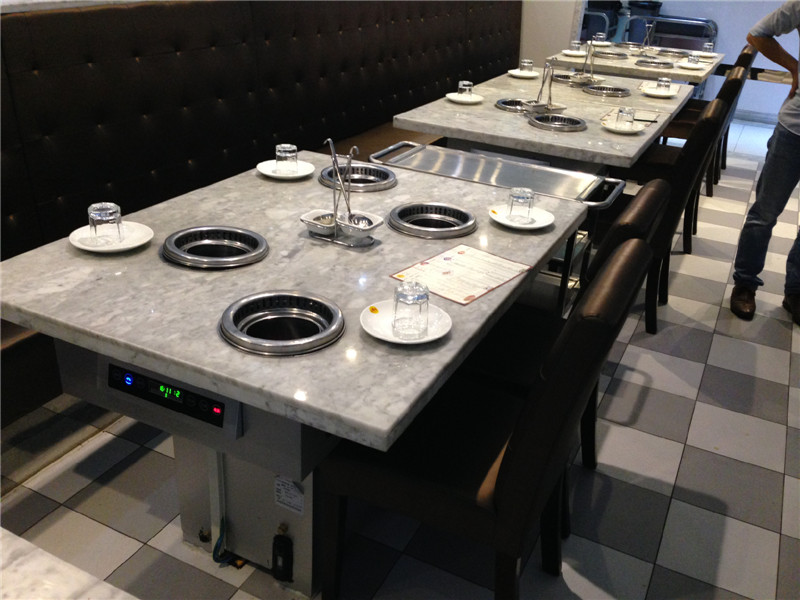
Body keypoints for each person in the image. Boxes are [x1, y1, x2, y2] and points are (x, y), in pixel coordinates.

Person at [730, 0, 800, 323]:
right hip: (794, 129)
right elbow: (757, 34)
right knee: (765, 213)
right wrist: (794, 66)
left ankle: (795, 291)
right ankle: (745, 283)